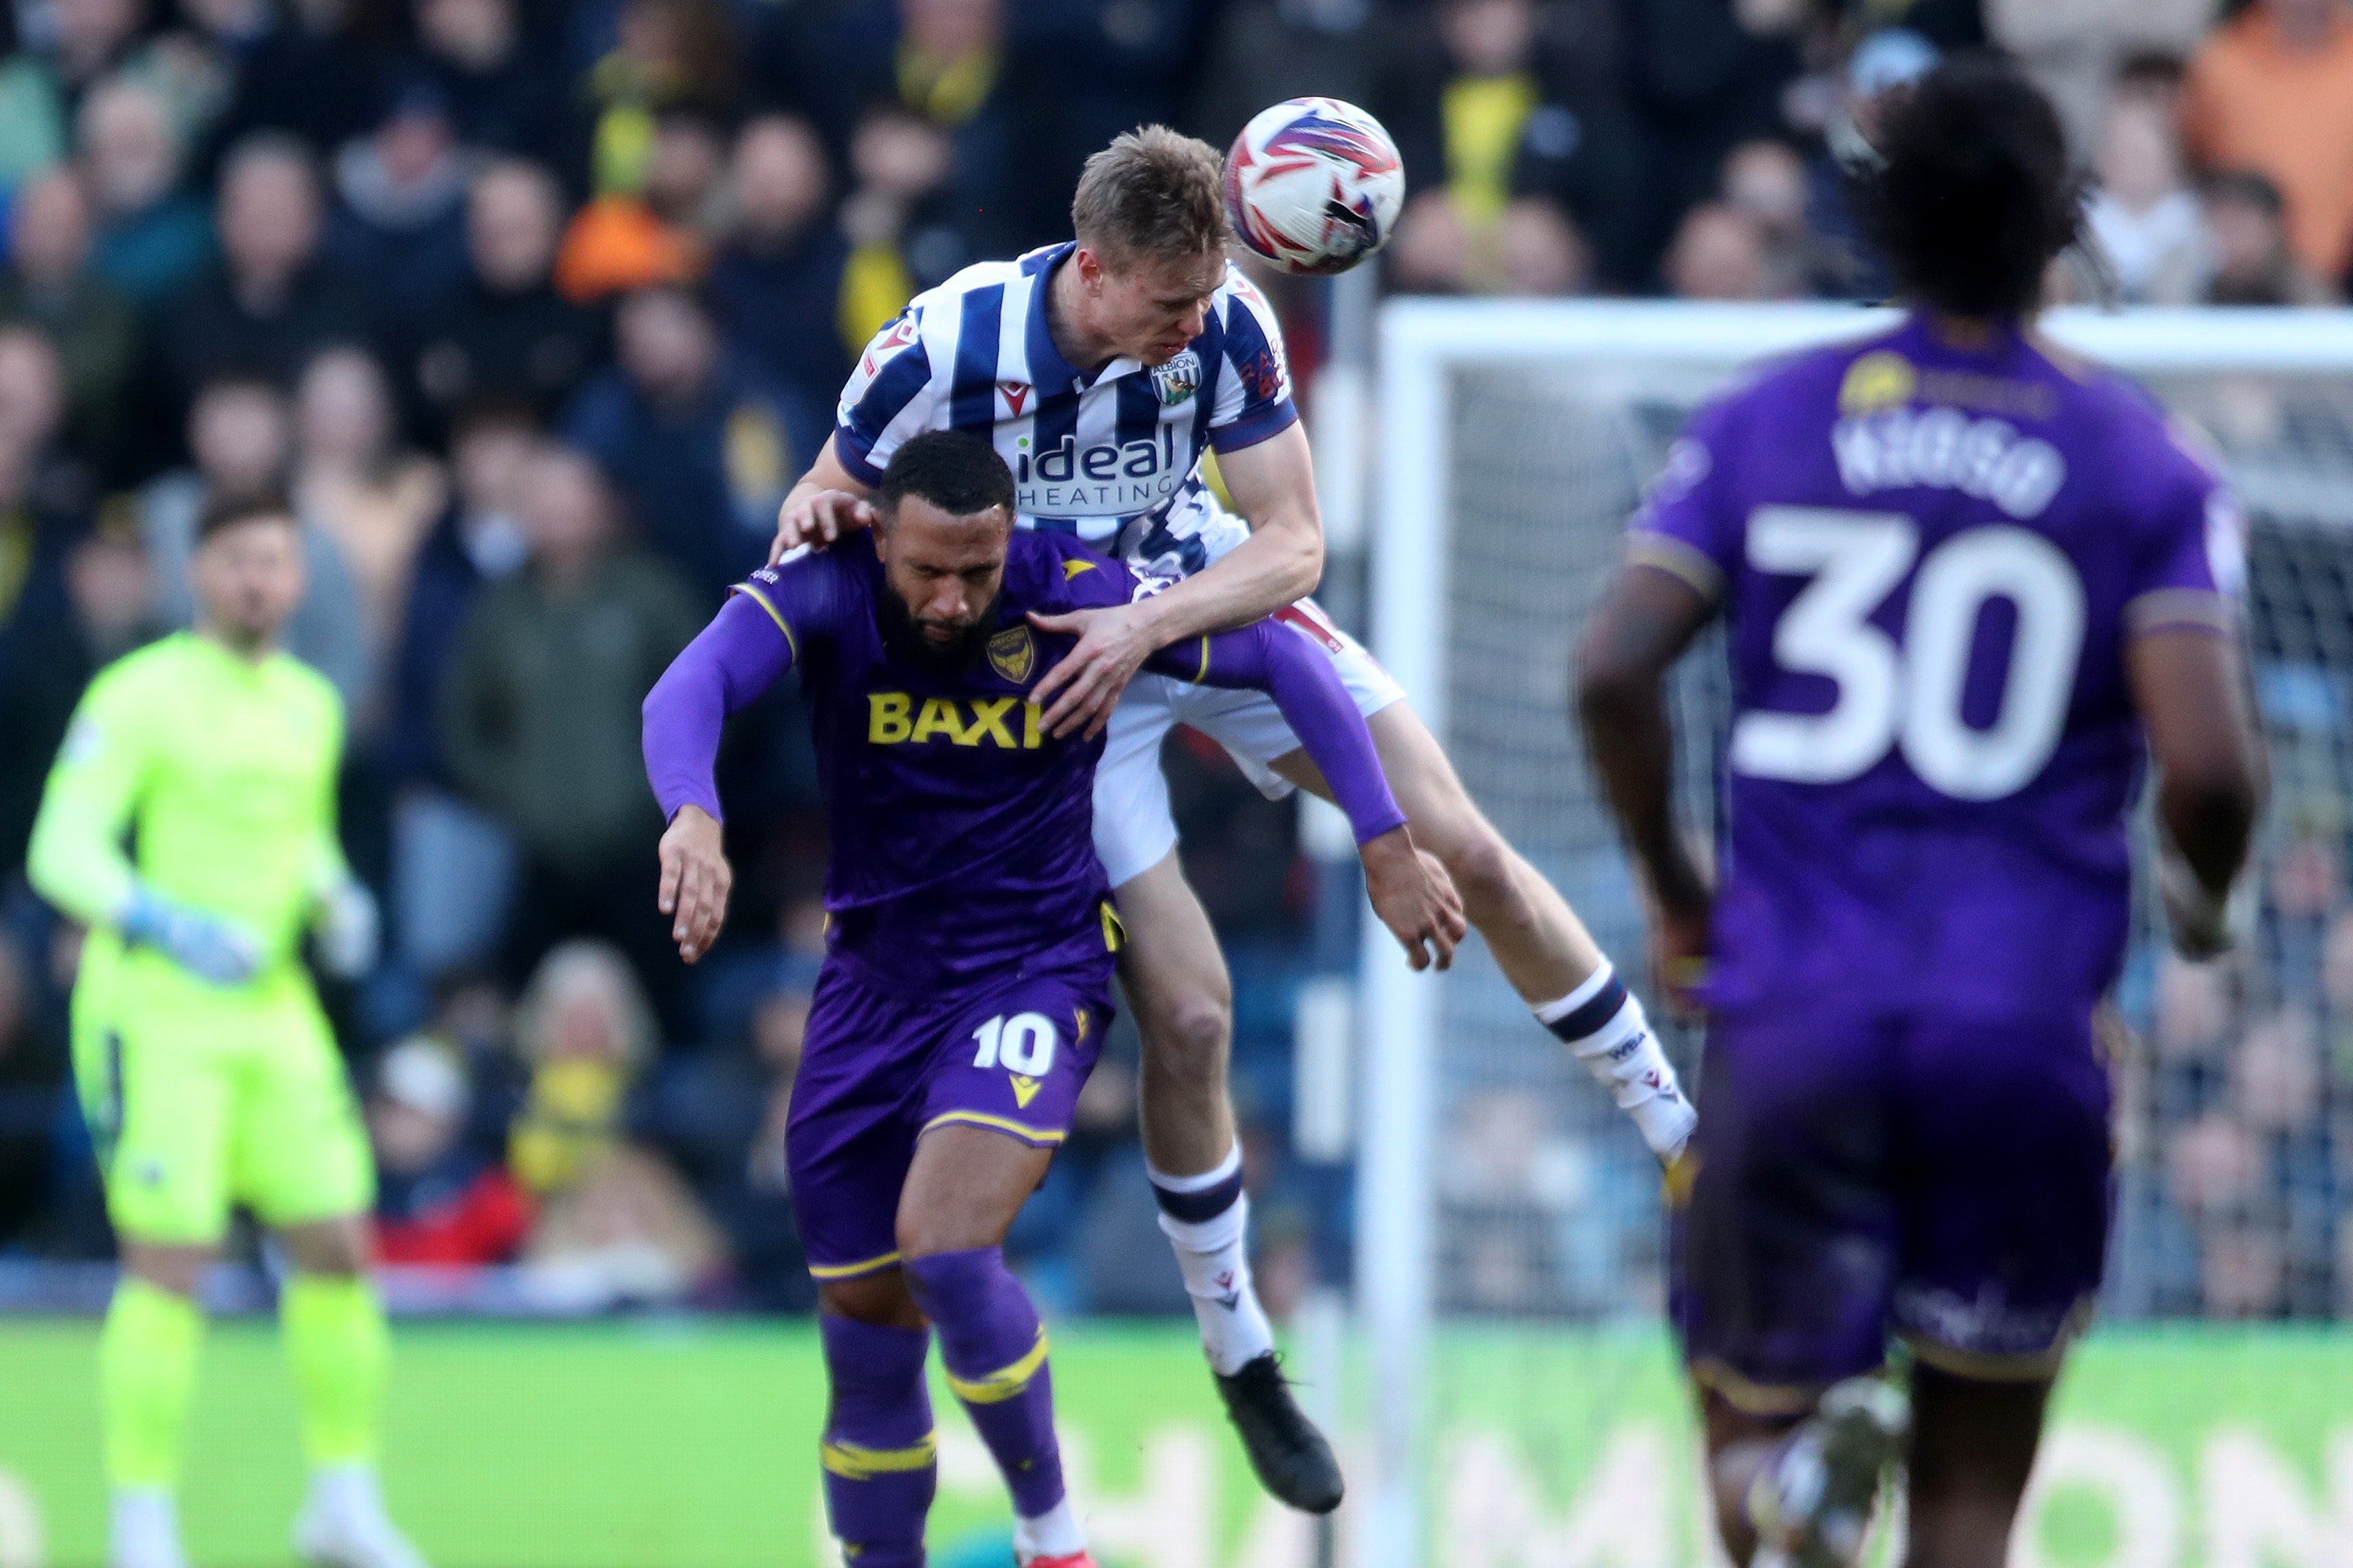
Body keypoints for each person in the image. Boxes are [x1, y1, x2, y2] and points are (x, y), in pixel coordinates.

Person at [765, 124, 1694, 1509]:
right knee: (1191, 1016)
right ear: (1092, 270)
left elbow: (1293, 540)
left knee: (1465, 843)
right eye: (1168, 304)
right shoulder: (938, 346)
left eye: (1206, 299)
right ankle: (1241, 1345)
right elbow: (823, 500)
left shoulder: (1230, 328)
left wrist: (1149, 620)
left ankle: (1683, 1141)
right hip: (1055, 684)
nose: (1193, 325)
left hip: (1185, 611)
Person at [1576, 57, 2264, 1568]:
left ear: (1873, 220)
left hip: (1793, 1017)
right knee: (1966, 1503)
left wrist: (1678, 889)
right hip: (2017, 1033)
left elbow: (1613, 667)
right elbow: (2211, 772)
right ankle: (1855, 1494)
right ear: (2057, 228)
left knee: (1746, 1435)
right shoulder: (2135, 458)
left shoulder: (1771, 421)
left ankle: (1790, 1491)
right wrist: (2207, 907)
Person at [643, 429, 1462, 1555]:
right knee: (867, 1344)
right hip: (869, 994)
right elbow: (690, 684)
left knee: (943, 1248)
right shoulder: (828, 582)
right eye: (928, 570)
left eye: (977, 570)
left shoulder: (1070, 594)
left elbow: (1286, 660)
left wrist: (1381, 835)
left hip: (1031, 973)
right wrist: (693, 809)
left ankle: (1054, 1538)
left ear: (1009, 540)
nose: (952, 598)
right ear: (880, 531)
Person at [26, 488, 424, 1568]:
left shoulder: (308, 703)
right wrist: (165, 917)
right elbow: (62, 848)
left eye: (277, 561)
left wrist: (336, 895)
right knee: (171, 1257)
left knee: (340, 1244)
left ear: (298, 579)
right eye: (239, 559)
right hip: (157, 1012)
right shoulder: (141, 693)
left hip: (274, 1011)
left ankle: (342, 1501)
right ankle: (140, 1525)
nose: (259, 580)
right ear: (199, 571)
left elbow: (298, 840)